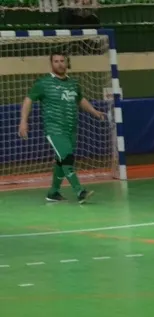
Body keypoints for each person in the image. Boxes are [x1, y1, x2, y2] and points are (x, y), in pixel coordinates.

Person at [18, 52, 105, 203]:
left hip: (70, 129)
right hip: (54, 129)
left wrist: (94, 112)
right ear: (51, 64)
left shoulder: (73, 83)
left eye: (62, 61)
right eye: (56, 61)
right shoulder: (43, 83)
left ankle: (53, 192)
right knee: (67, 158)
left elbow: (80, 99)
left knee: (61, 160)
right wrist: (23, 121)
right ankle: (80, 192)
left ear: (67, 63)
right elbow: (28, 100)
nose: (59, 64)